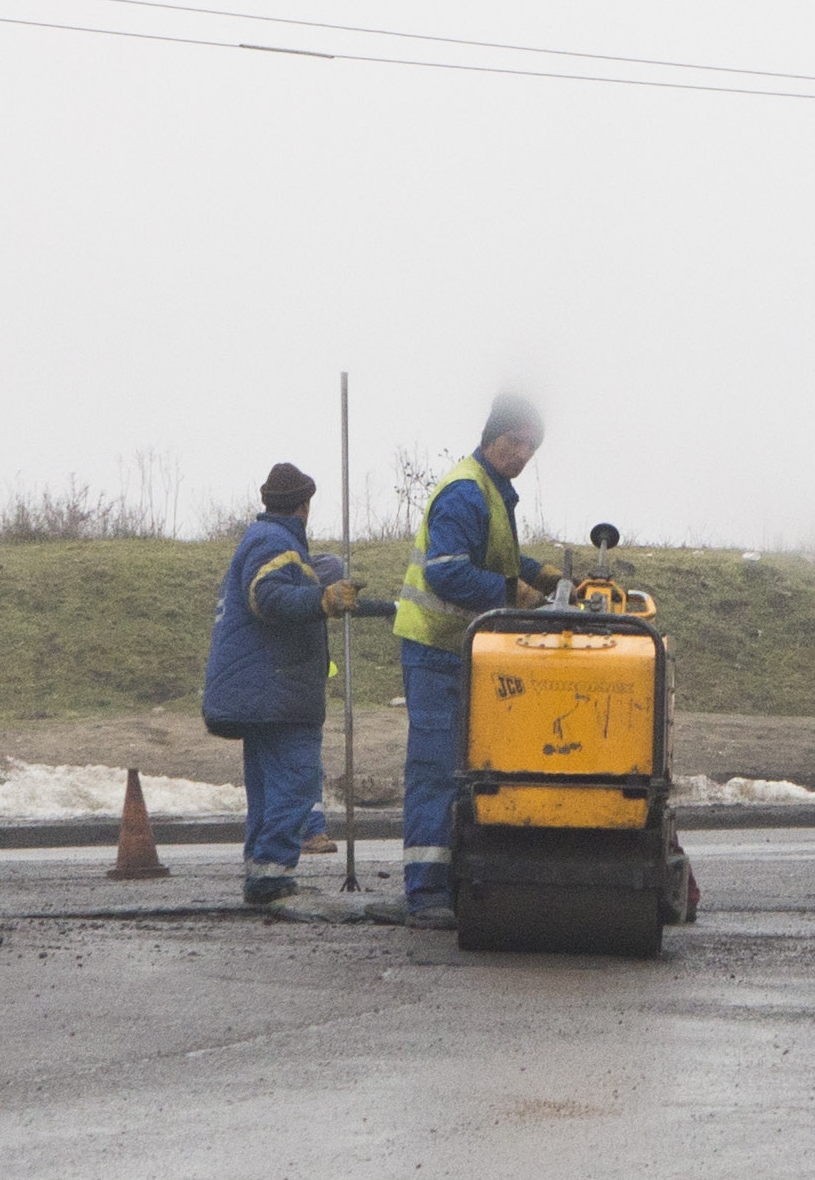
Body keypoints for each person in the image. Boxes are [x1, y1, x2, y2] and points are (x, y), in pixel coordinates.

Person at [376, 397, 558, 929]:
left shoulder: (493, 492)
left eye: (532, 447)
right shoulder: (465, 491)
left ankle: (455, 881)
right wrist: (513, 590)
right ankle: (426, 892)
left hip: (466, 652)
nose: (523, 455)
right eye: (516, 443)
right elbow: (447, 573)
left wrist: (537, 573)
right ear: (491, 438)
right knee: (435, 769)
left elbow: (491, 559)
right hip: (436, 649)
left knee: (466, 769)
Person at [204, 462, 389, 907]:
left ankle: (263, 871)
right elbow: (267, 596)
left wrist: (377, 607)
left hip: (262, 692)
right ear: (305, 505)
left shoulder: (265, 539)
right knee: (297, 782)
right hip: (279, 692)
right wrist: (322, 599)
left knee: (268, 787)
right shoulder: (276, 542)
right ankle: (271, 875)